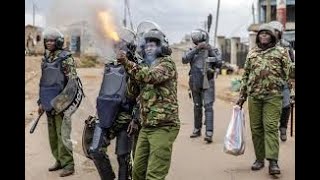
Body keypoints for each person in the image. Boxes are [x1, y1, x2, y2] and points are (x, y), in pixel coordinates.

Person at [116, 28, 180, 180]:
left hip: (164, 125)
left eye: (153, 45)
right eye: (147, 45)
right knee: (138, 172)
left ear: (162, 46)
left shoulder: (167, 64)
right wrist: (130, 70)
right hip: (146, 125)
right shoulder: (143, 65)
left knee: (154, 175)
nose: (149, 48)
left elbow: (152, 77)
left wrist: (128, 63)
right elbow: (132, 93)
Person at [236, 24, 294, 175]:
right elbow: (246, 76)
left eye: (267, 34)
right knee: (256, 129)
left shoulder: (281, 52)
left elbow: (289, 74)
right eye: (261, 34)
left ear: (273, 37)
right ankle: (259, 159)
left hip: (273, 97)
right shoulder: (252, 53)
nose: (263, 36)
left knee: (270, 127)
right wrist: (242, 96)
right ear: (258, 37)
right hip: (254, 97)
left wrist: (292, 92)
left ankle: (273, 162)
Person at [88, 32, 140, 180]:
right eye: (116, 46)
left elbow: (142, 96)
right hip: (106, 116)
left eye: (121, 45)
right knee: (95, 150)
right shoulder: (110, 65)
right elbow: (105, 90)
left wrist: (135, 118)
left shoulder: (137, 67)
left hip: (126, 119)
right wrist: (97, 112)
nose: (118, 49)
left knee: (123, 157)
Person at [37, 28, 83, 177]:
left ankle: (68, 164)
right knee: (53, 136)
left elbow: (72, 83)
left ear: (58, 42)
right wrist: (41, 102)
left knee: (63, 135)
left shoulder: (66, 58)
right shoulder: (46, 58)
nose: (49, 43)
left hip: (62, 104)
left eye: (52, 40)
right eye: (47, 40)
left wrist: (62, 105)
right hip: (48, 103)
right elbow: (44, 82)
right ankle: (59, 160)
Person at [182, 29, 222, 143]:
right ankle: (197, 129)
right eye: (197, 41)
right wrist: (196, 49)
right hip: (195, 81)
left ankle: (209, 132)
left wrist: (210, 50)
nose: (200, 43)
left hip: (208, 81)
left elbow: (219, 62)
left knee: (208, 107)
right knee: (197, 105)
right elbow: (184, 59)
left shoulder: (212, 49)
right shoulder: (192, 50)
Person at [269, 20, 295, 141]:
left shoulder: (286, 45)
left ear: (280, 33)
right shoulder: (263, 46)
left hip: (284, 81)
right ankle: (271, 130)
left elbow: (292, 62)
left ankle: (283, 128)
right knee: (270, 107)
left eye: (276, 32)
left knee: (286, 105)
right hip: (268, 82)